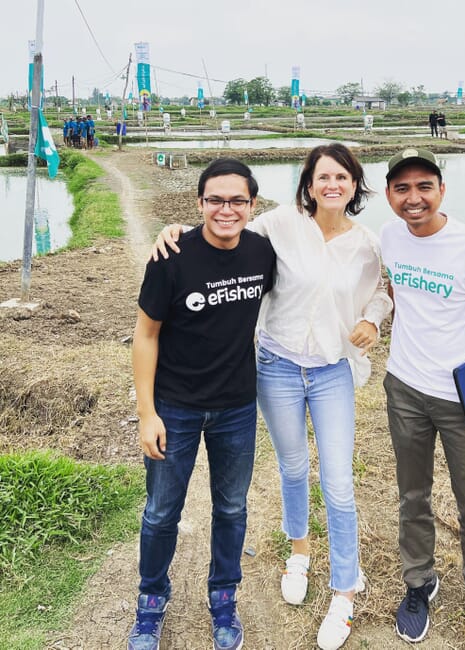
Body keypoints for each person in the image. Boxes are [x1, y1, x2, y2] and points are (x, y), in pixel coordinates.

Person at [151, 143, 393, 650]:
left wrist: (372, 318)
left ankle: (345, 590)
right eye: (322, 177)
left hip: (331, 371)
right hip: (278, 366)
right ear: (308, 184)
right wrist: (173, 233)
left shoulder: (368, 243)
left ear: (354, 186)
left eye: (342, 178)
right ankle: (299, 553)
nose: (332, 185)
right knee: (292, 468)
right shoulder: (279, 225)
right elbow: (223, 233)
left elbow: (381, 291)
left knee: (339, 481)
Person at [128, 158, 276, 650]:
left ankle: (223, 598)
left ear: (252, 205)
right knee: (160, 512)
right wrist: (148, 413)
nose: (226, 209)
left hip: (237, 406)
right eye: (216, 200)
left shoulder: (262, 252)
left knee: (231, 508)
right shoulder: (171, 256)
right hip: (176, 406)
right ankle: (151, 601)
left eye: (237, 200)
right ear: (199, 204)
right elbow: (145, 336)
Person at [380, 147, 465, 646]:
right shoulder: (390, 237)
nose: (413, 198)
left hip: (463, 396)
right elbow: (391, 290)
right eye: (402, 188)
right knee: (412, 494)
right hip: (405, 388)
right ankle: (419, 583)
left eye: (423, 187)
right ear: (390, 194)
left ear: (441, 190)